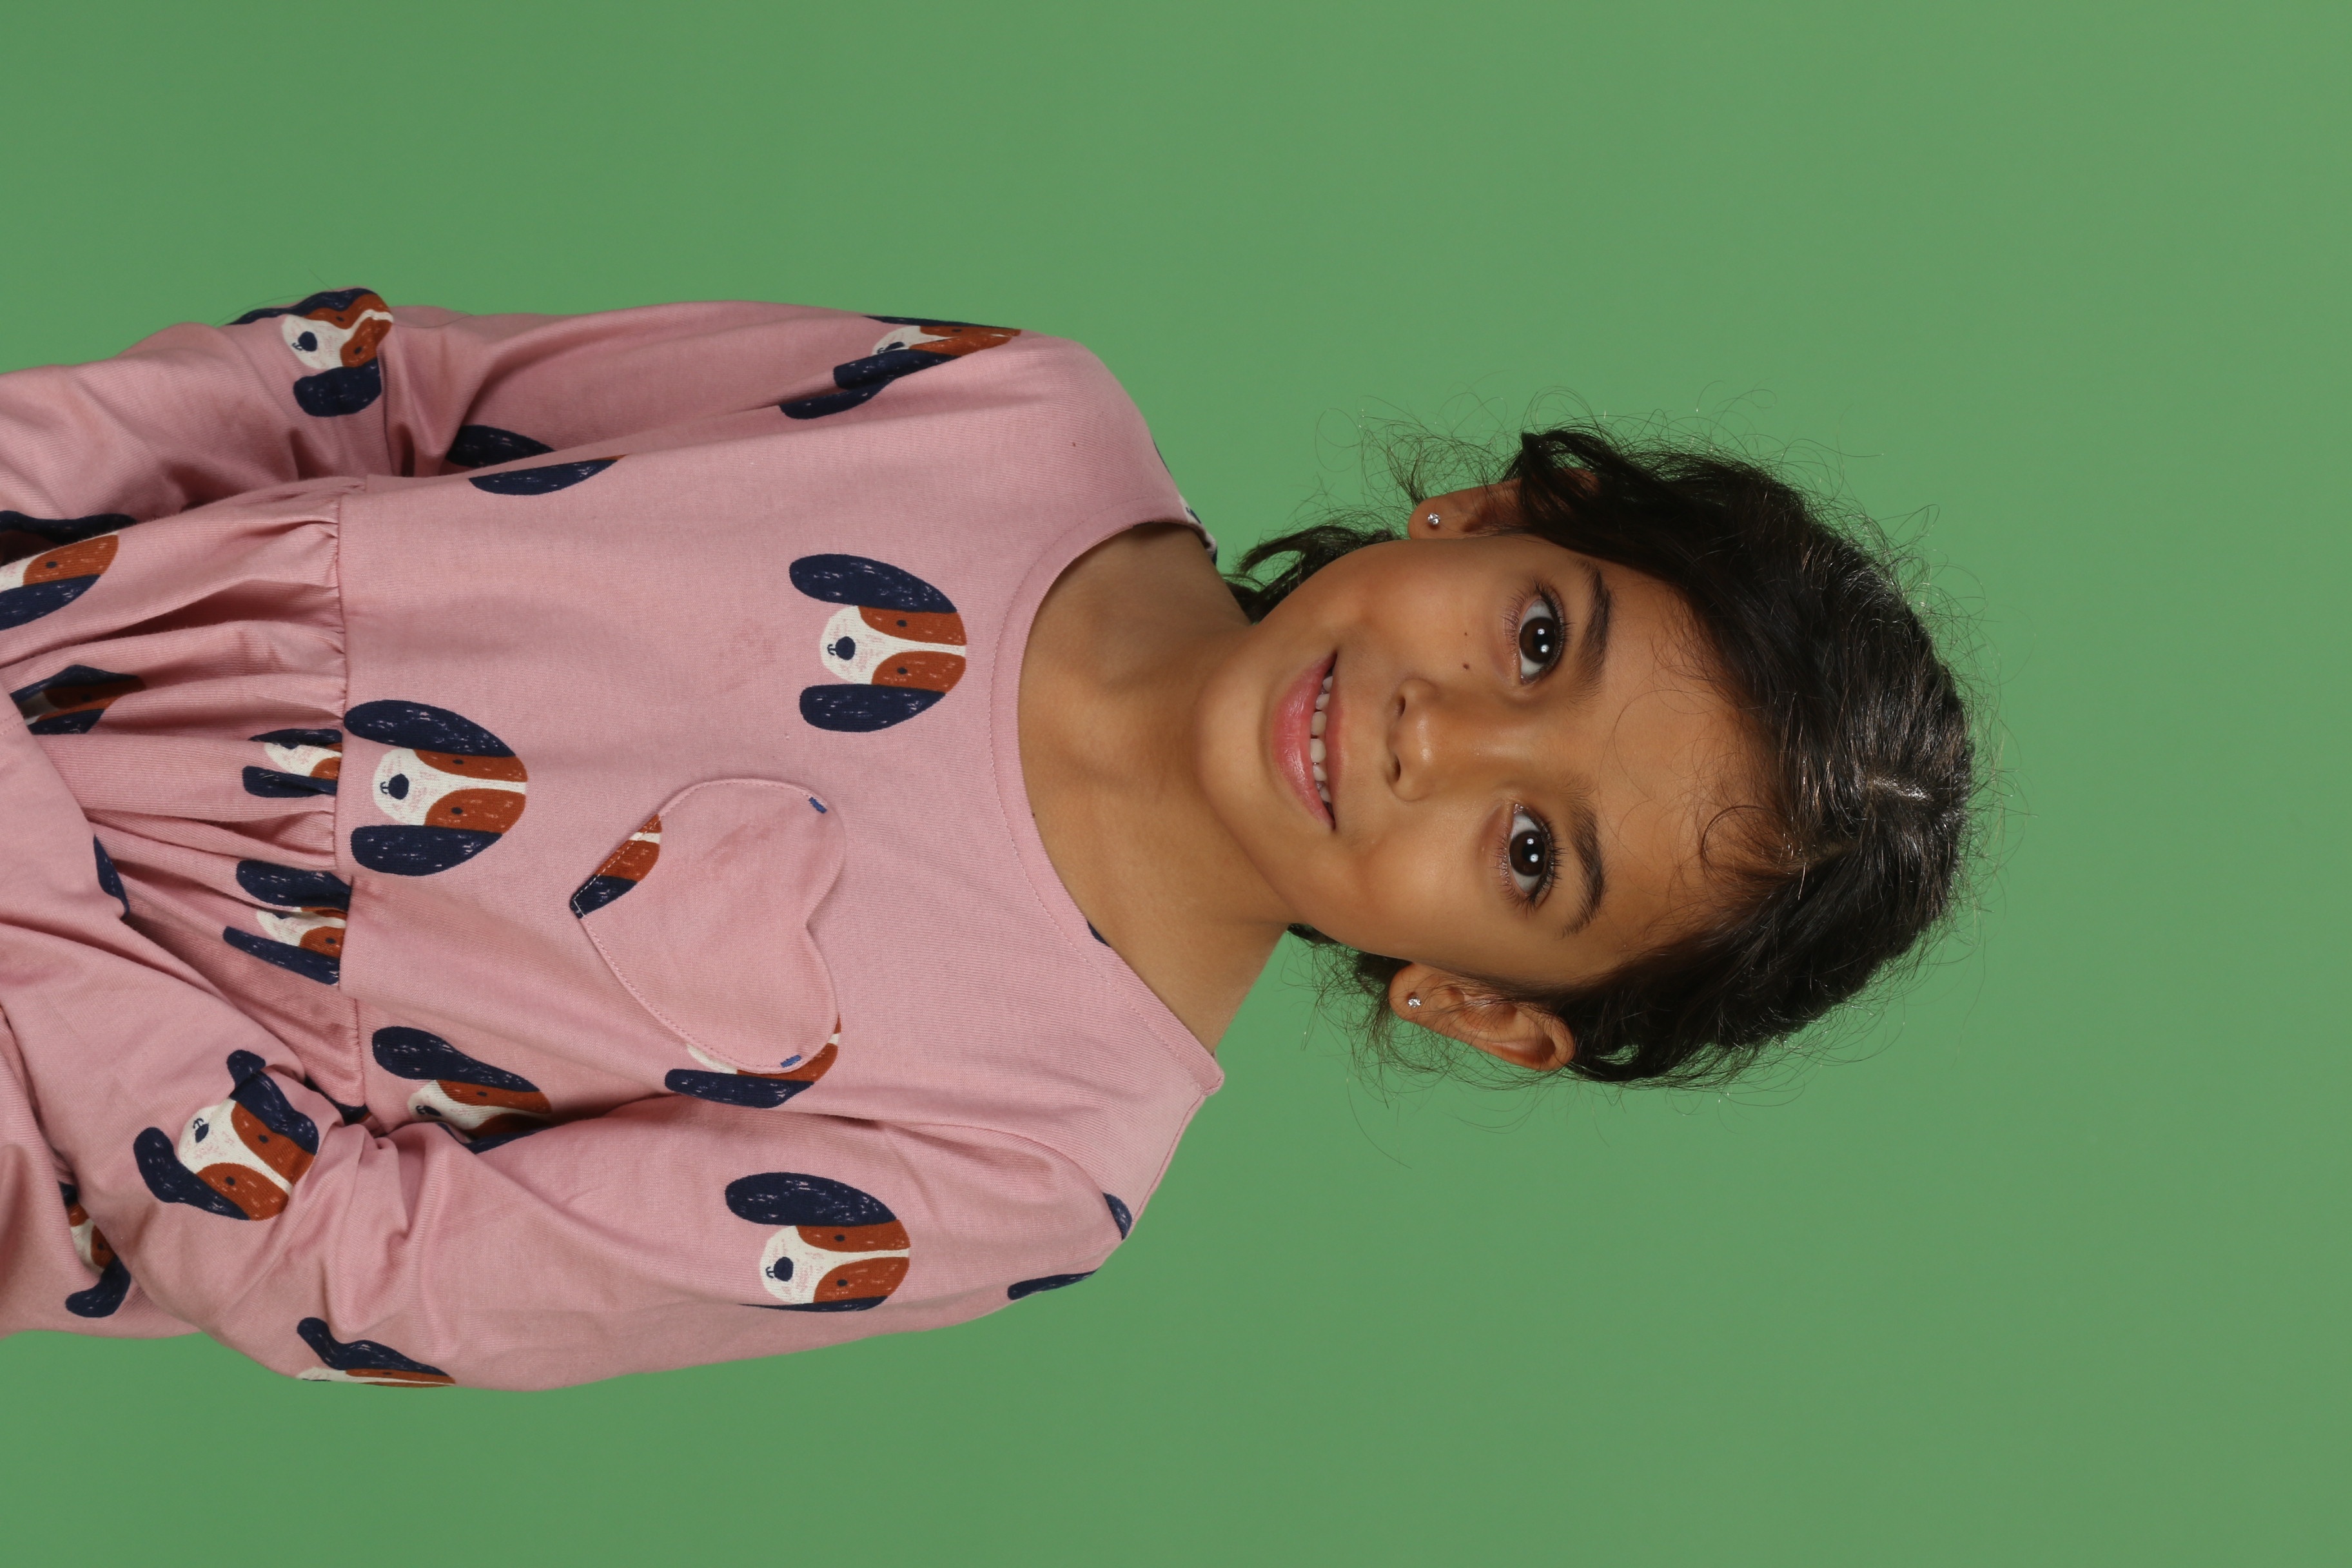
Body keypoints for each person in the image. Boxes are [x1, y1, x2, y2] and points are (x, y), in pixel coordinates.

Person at [0, 292, 1975, 1388]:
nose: (1437, 737)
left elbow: (383, 1272)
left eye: (1531, 854)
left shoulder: (1041, 1158)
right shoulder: (1020, 418)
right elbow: (393, 395)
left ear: (1478, 1005)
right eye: (1539, 640)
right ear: (1489, 514)